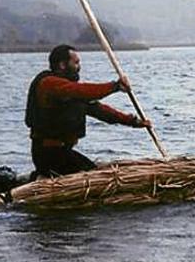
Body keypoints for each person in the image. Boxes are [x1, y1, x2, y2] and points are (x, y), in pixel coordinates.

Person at [25, 44, 151, 177]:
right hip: (48, 154)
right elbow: (83, 91)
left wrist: (133, 121)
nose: (79, 66)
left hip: (62, 152)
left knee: (92, 169)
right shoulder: (49, 84)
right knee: (92, 176)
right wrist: (115, 86)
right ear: (62, 65)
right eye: (76, 62)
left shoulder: (69, 91)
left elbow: (100, 111)